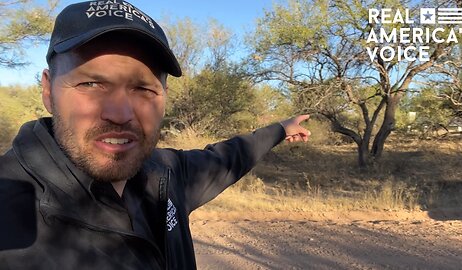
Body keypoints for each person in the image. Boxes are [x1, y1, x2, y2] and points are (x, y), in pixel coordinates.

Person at [0, 1, 311, 269]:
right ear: (48, 90)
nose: (120, 114)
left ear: (164, 95)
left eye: (143, 88)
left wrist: (281, 129)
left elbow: (230, 157)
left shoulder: (166, 174)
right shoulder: (9, 209)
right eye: (91, 84)